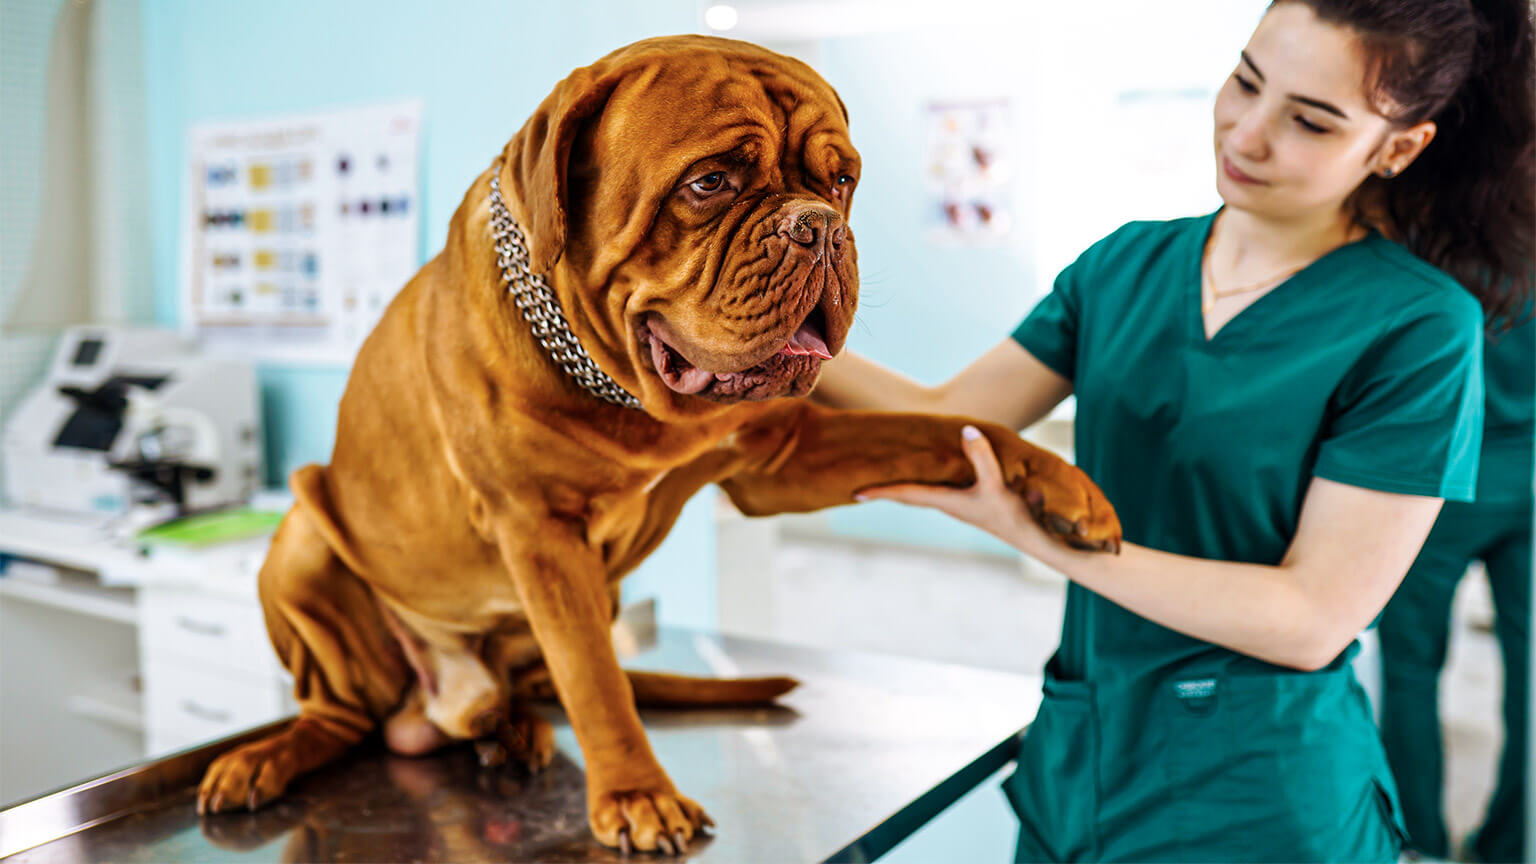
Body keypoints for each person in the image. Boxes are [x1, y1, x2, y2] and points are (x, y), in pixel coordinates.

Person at [814, 0, 1535, 859]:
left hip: (1260, 797)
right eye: (1246, 81)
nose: (1248, 135)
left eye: (1309, 120)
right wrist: (765, 341)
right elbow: (947, 418)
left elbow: (1311, 616)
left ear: (1396, 147)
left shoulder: (1417, 325)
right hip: (1083, 764)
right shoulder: (1124, 265)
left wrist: (1043, 536)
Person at [1377, 305, 1533, 864]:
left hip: (1440, 479)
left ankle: (1420, 845)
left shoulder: (1434, 230)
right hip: (1529, 475)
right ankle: (1511, 844)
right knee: (1532, 681)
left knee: (1410, 673)